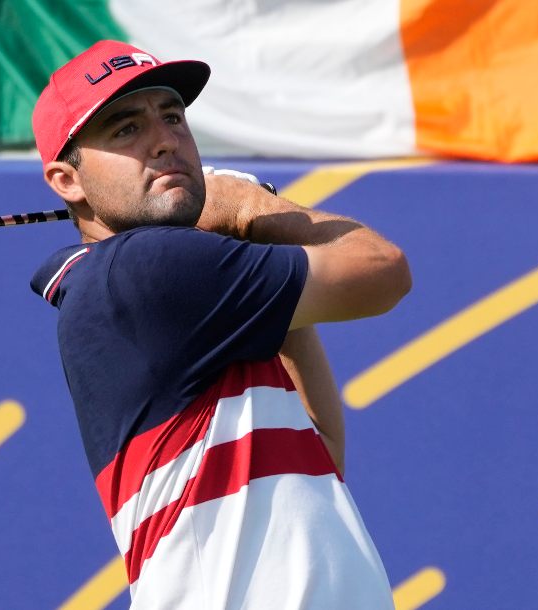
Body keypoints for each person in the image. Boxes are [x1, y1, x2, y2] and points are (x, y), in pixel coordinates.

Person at [29, 40, 411, 608]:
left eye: (173, 116)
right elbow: (383, 270)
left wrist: (268, 294)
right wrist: (247, 207)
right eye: (125, 129)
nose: (165, 141)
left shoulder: (181, 293)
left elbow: (321, 455)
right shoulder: (146, 269)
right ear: (67, 182)